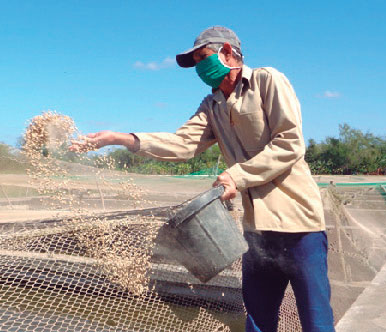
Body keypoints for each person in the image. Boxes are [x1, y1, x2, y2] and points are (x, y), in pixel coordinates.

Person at [70, 26, 335, 332]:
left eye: (202, 57)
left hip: (299, 224)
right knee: (258, 318)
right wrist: (120, 138)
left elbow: (289, 143)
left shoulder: (266, 80)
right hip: (256, 231)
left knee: (315, 317)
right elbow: (182, 144)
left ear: (226, 51)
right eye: (195, 62)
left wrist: (236, 175)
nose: (199, 67)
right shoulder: (212, 106)